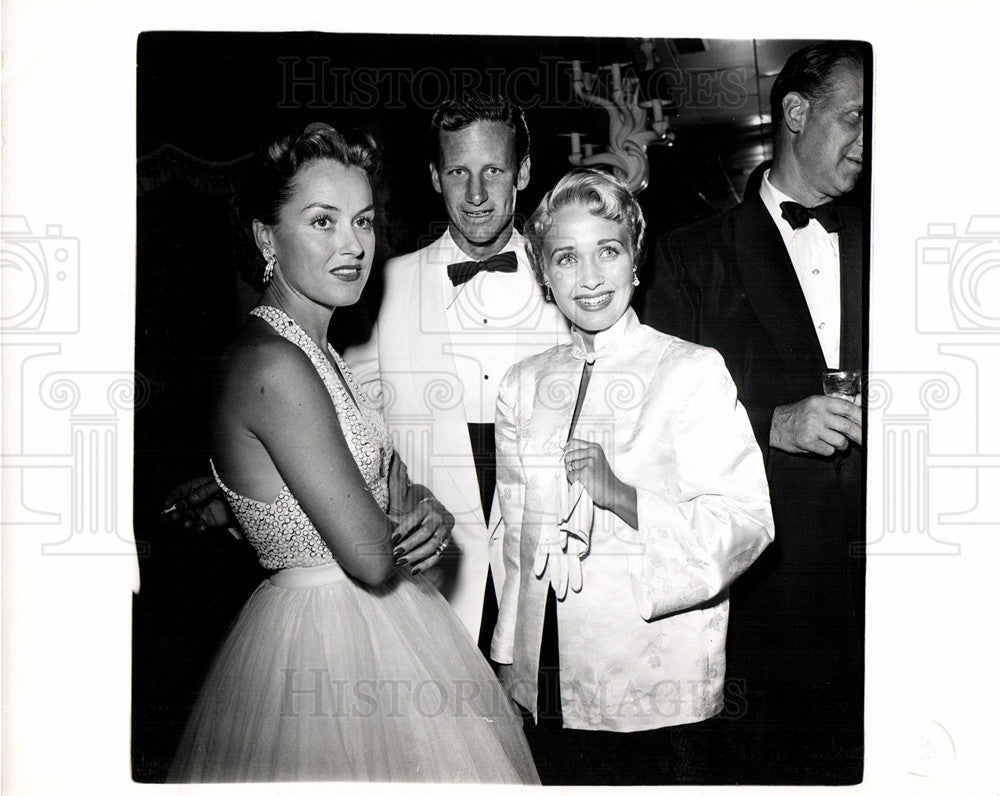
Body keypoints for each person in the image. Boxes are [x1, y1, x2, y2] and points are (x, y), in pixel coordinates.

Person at [167, 122, 539, 784]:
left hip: (375, 623)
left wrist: (420, 500)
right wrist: (414, 516)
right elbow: (370, 556)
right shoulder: (275, 364)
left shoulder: (317, 348)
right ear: (264, 237)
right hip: (329, 643)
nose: (353, 246)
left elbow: (379, 473)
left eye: (363, 222)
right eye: (323, 222)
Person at [491, 168, 774, 784]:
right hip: (547, 676)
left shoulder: (692, 371)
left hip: (656, 681)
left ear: (634, 262)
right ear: (544, 276)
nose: (589, 279)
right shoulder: (521, 384)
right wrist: (510, 663)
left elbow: (746, 523)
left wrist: (623, 497)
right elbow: (514, 541)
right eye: (566, 258)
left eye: (607, 252)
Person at [641, 41, 868, 782]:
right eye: (855, 118)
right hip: (769, 610)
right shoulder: (689, 259)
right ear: (796, 113)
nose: (869, 142)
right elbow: (658, 433)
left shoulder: (899, 238)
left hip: (893, 603)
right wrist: (774, 423)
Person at [342, 95, 570, 652]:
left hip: (552, 581)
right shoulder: (382, 287)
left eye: (493, 171)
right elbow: (342, 422)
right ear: (433, 177)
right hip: (435, 586)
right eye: (457, 172)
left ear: (524, 172)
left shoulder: (572, 278)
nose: (474, 195)